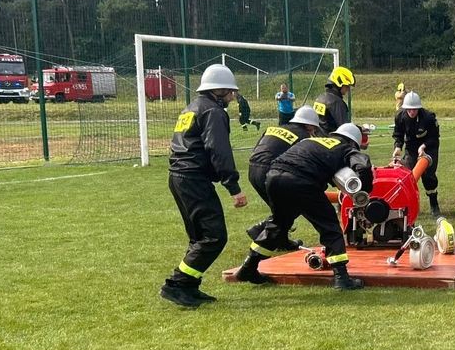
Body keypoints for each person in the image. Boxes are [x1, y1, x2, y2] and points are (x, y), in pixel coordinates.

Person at [236, 123, 373, 290]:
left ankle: (248, 267)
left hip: (273, 177)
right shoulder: (346, 148)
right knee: (329, 226)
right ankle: (342, 278)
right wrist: (364, 191)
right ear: (353, 142)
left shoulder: (312, 140)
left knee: (278, 225)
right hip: (301, 180)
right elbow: (363, 166)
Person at [159, 64, 248, 308]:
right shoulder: (213, 112)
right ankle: (177, 284)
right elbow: (219, 151)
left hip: (179, 176)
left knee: (199, 236)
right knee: (214, 236)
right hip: (194, 179)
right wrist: (233, 187)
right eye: (230, 91)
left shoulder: (191, 108)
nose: (232, 96)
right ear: (218, 90)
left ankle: (189, 286)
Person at [244, 106, 323, 241]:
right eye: (314, 127)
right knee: (294, 205)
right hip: (270, 171)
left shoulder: (273, 129)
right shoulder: (303, 137)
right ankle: (260, 230)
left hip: (252, 170)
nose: (314, 131)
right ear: (309, 125)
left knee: (283, 209)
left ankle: (280, 240)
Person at [392, 91, 442, 217]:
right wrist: (398, 146)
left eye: (414, 109)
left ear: (418, 108)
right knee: (407, 175)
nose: (411, 112)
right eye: (409, 109)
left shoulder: (429, 118)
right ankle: (406, 206)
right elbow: (398, 134)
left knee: (428, 176)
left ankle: (434, 204)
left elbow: (434, 138)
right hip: (411, 148)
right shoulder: (400, 116)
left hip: (429, 147)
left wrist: (424, 146)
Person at [314, 67, 355, 133]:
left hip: (316, 137)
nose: (348, 89)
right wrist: (359, 130)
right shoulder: (337, 102)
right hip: (331, 138)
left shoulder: (320, 98)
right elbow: (344, 127)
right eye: (346, 86)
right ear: (339, 84)